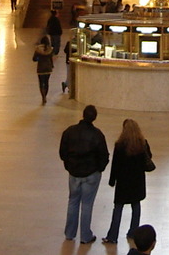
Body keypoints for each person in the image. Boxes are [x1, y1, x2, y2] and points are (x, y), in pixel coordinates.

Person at [60, 104, 110, 244]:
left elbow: (62, 152)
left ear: (83, 115)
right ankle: (85, 236)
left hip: (74, 173)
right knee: (87, 204)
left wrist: (69, 165)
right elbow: (104, 155)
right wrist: (99, 169)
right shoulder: (97, 135)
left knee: (73, 201)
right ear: (94, 117)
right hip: (91, 174)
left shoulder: (69, 132)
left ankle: (69, 233)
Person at [104, 118, 152, 244]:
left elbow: (115, 165)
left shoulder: (119, 146)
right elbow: (148, 158)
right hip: (137, 183)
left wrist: (112, 181)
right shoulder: (143, 144)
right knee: (136, 207)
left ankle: (113, 236)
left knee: (118, 208)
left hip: (123, 183)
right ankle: (133, 233)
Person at [33, 35, 54, 104]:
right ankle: (45, 95)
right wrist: (52, 65)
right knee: (46, 82)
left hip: (41, 68)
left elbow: (34, 59)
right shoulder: (50, 49)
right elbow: (51, 59)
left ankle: (43, 97)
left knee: (41, 83)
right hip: (48, 68)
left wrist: (39, 58)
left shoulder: (38, 49)